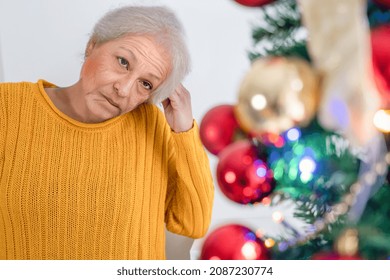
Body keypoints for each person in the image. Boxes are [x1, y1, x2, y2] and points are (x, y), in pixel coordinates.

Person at [0, 6, 214, 260]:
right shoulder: (8, 108)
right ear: (92, 45)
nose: (123, 90)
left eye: (145, 84)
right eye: (123, 62)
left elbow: (194, 223)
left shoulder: (154, 126)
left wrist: (185, 130)